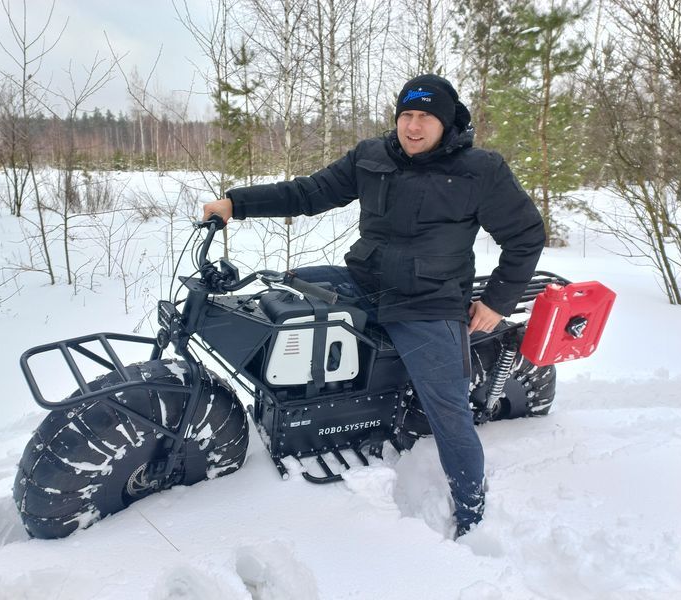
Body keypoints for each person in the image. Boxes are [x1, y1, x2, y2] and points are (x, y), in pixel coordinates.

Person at [201, 74, 546, 538]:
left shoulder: (480, 170)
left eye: (426, 116)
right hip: (365, 281)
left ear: (446, 122)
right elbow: (308, 193)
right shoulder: (371, 156)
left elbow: (525, 236)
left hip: (430, 301)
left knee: (448, 409)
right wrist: (235, 204)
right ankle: (317, 410)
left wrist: (497, 301)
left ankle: (470, 510)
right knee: (281, 291)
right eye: (407, 115)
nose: (414, 126)